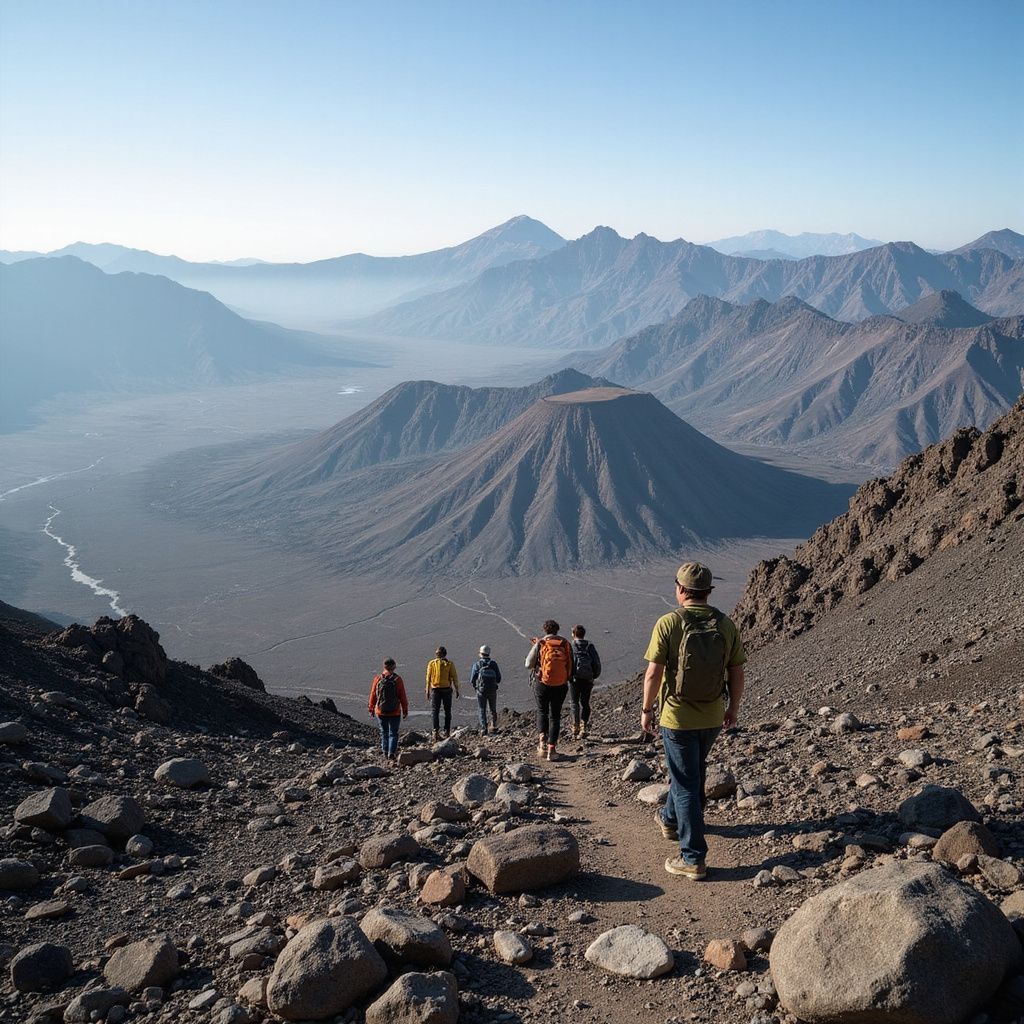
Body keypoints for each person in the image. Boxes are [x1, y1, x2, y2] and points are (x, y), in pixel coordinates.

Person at [640, 563, 746, 880]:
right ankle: (671, 820)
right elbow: (736, 672)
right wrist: (733, 708)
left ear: (681, 589)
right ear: (708, 591)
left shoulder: (669, 623)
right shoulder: (725, 625)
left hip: (677, 716)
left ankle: (693, 857)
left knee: (686, 781)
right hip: (713, 715)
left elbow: (653, 673)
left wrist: (647, 710)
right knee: (691, 772)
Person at [525, 620, 572, 761]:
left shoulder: (541, 643)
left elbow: (528, 664)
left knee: (542, 711)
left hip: (542, 682)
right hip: (561, 684)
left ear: (544, 630)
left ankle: (541, 744)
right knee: (555, 715)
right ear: (557, 630)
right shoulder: (565, 644)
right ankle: (552, 750)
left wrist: (536, 647)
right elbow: (571, 664)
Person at [368, 658, 408, 760]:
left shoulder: (378, 679)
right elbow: (402, 695)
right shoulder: (397, 679)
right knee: (393, 733)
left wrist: (371, 708)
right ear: (394, 666)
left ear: (384, 666)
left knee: (384, 732)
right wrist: (405, 709)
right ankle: (392, 753)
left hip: (381, 711)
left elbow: (373, 694)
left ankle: (385, 752)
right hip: (395, 712)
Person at [569, 624, 601, 740]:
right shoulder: (589, 646)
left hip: (574, 679)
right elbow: (596, 663)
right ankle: (584, 727)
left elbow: (568, 662)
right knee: (585, 703)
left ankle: (575, 727)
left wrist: (568, 676)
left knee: (574, 702)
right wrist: (594, 676)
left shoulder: (571, 646)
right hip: (588, 679)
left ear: (573, 634)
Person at [425, 645, 460, 741]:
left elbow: (428, 677)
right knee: (447, 711)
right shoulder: (449, 663)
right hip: (447, 690)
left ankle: (435, 732)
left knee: (435, 711)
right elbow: (454, 677)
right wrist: (457, 689)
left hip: (435, 689)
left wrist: (427, 690)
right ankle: (447, 732)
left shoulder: (432, 663)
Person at [469, 644, 502, 734]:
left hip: (481, 690)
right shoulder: (493, 664)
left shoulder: (477, 665)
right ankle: (494, 725)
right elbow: (499, 678)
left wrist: (476, 687)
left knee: (482, 709)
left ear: (480, 654)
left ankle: (484, 728)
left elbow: (472, 679)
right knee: (493, 708)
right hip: (492, 690)